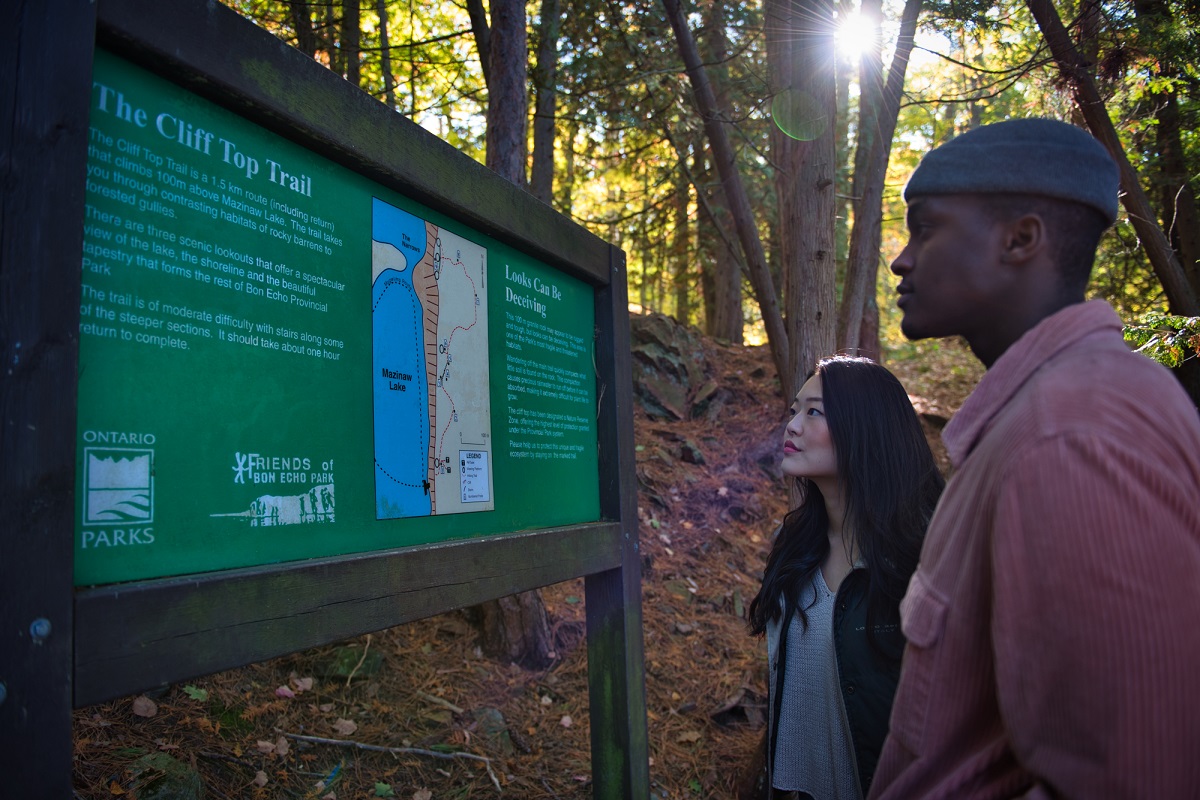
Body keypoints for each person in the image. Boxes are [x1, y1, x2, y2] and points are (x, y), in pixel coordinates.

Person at [870, 118, 1200, 799]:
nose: (901, 260)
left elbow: (1131, 777)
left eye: (926, 228)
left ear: (1020, 239)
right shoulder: (1053, 410)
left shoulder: (1072, 432)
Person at [748, 355, 945, 799]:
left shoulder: (928, 552)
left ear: (865, 427)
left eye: (813, 411)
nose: (792, 426)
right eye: (794, 410)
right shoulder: (793, 544)